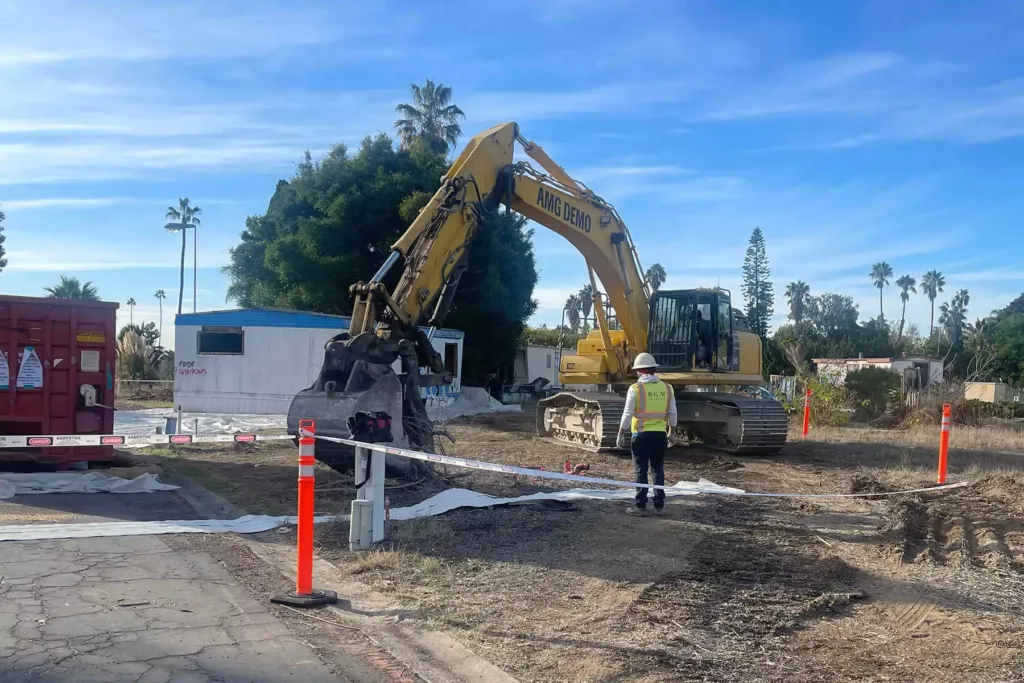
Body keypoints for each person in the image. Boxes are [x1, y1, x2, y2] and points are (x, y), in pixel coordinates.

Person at [616, 353, 677, 516]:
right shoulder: (667, 388)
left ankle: (640, 506)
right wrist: (672, 432)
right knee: (658, 469)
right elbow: (672, 412)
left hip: (641, 436)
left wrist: (621, 432)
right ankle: (659, 506)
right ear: (653, 370)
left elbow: (628, 414)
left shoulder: (635, 389)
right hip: (660, 436)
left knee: (641, 470)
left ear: (640, 371)